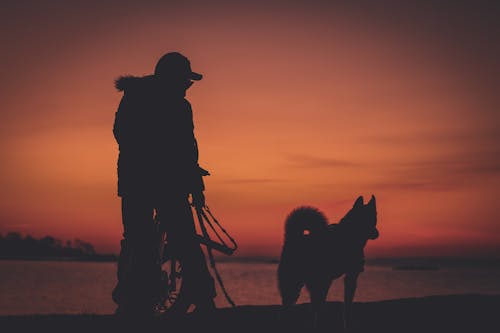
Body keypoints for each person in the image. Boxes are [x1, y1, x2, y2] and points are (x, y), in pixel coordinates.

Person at [111, 52, 216, 316]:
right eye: (185, 80)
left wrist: (194, 182)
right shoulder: (178, 106)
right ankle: (199, 299)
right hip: (163, 184)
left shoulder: (136, 97)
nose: (187, 86)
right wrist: (190, 180)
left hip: (139, 182)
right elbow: (186, 149)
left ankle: (136, 300)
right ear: (174, 78)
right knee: (180, 239)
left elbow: (122, 135)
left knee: (139, 240)